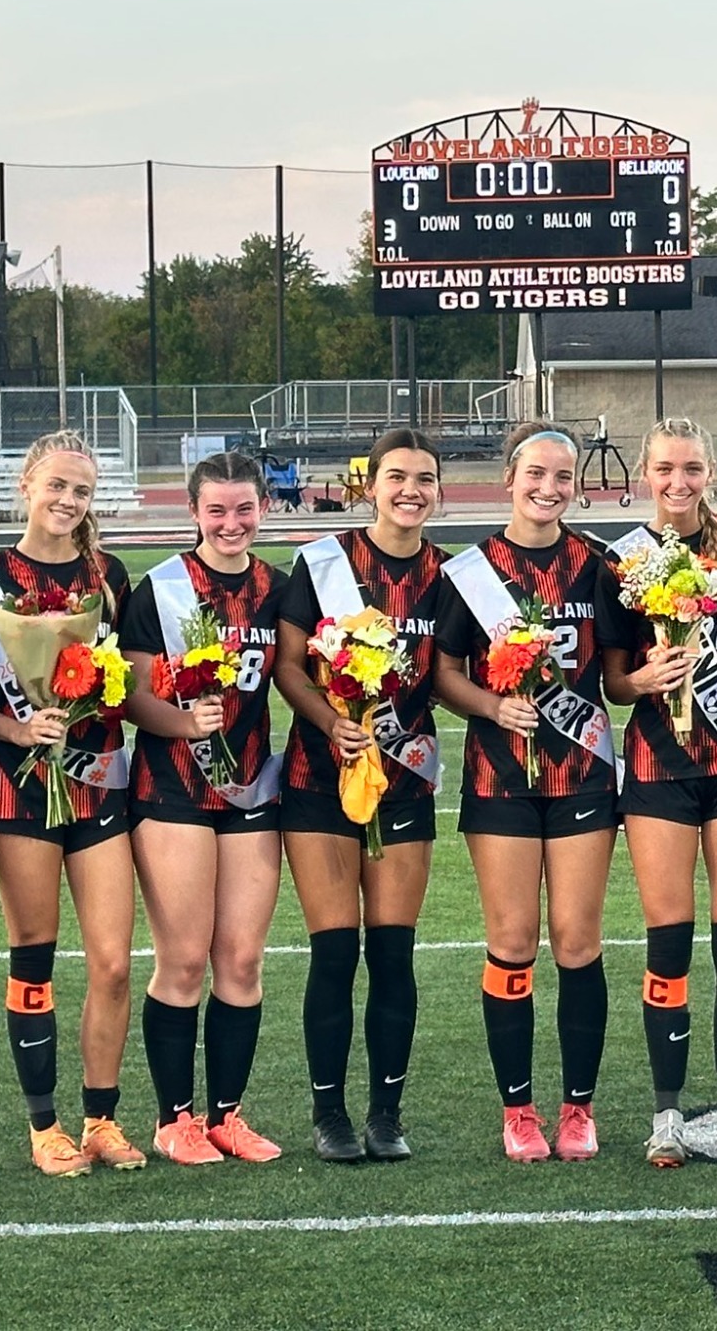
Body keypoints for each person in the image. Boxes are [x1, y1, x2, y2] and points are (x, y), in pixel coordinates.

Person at [0, 430, 141, 1178]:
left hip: (97, 782)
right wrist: (19, 727)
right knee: (34, 956)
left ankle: (101, 1116)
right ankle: (44, 1126)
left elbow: (121, 669)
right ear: (26, 484)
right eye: (56, 485)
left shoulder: (108, 574)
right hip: (19, 786)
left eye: (81, 491)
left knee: (115, 963)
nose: (67, 501)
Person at [435, 422, 619, 1162]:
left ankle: (579, 1107)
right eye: (535, 474)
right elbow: (444, 672)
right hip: (499, 777)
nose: (548, 488)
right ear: (508, 478)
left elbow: (616, 671)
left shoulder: (599, 565)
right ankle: (519, 1111)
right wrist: (491, 704)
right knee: (512, 944)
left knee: (577, 942)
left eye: (563, 477)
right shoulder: (472, 571)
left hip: (581, 775)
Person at [599, 418, 717, 1168]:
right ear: (644, 473)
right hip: (658, 767)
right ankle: (668, 1115)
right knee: (668, 943)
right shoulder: (621, 560)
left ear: (711, 473)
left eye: (694, 469)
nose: (679, 483)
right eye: (666, 469)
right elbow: (609, 680)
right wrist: (643, 679)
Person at [274, 430, 446, 1163]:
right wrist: (332, 722)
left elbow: (455, 672)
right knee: (335, 953)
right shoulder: (321, 563)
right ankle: (330, 1115)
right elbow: (288, 665)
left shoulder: (452, 574)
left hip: (405, 776)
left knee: (395, 954)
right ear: (369, 484)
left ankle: (386, 1111)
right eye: (398, 477)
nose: (411, 490)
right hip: (320, 778)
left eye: (425, 479)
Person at [122, 451, 286, 1166]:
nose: (230, 522)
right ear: (192, 513)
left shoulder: (278, 591)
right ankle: (173, 1119)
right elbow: (130, 695)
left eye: (243, 508)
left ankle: (227, 1115)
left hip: (250, 789)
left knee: (242, 960)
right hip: (172, 792)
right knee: (184, 960)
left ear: (263, 510)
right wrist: (184, 725)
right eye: (215, 510)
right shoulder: (158, 591)